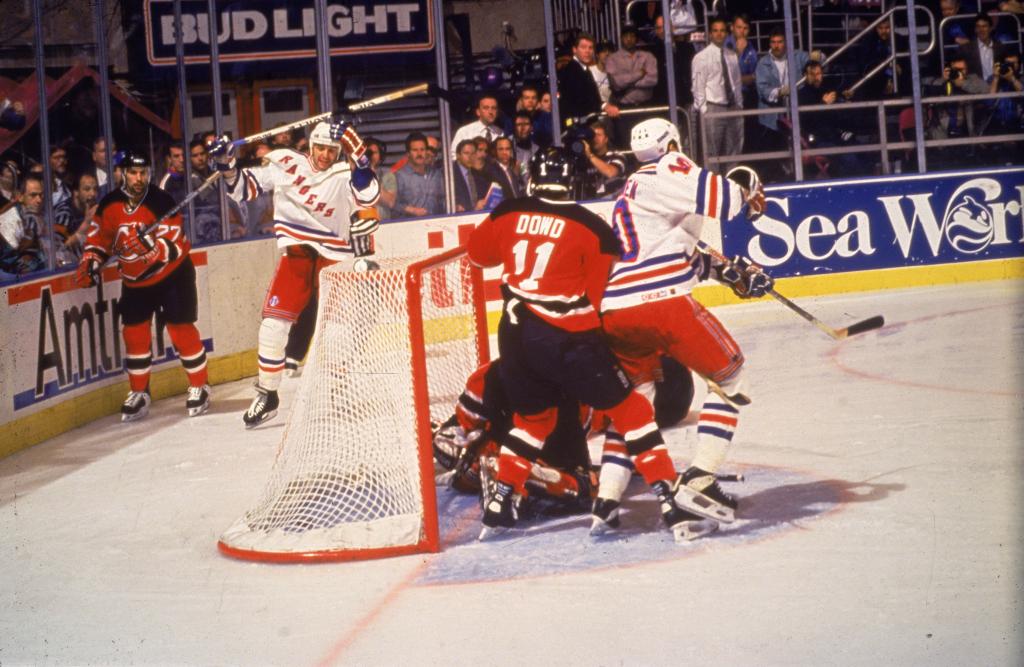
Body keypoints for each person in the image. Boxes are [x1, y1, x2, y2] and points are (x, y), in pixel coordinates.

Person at [466, 146, 715, 542]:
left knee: (533, 421)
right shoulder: (594, 228)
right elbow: (597, 298)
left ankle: (499, 504)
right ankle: (670, 498)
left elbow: (477, 256)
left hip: (513, 334)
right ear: (576, 181)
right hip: (568, 338)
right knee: (633, 409)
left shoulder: (506, 212)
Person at [600, 118, 771, 533]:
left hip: (616, 313)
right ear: (672, 142)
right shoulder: (668, 167)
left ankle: (605, 499)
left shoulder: (632, 190)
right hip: (661, 305)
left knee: (636, 406)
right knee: (733, 379)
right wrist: (747, 187)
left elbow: (674, 253)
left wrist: (729, 272)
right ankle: (701, 477)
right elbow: (725, 198)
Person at [210, 119, 380, 428]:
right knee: (273, 327)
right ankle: (268, 394)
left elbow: (368, 197)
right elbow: (241, 189)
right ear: (310, 146)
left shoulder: (344, 173)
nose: (326, 156)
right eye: (321, 149)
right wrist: (227, 164)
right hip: (297, 255)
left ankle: (338, 392)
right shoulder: (286, 162)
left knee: (339, 332)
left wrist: (360, 157)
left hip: (335, 257)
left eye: (332, 150)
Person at [74, 151, 211, 421]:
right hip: (135, 280)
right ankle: (139, 392)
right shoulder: (109, 204)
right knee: (134, 333)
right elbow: (100, 238)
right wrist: (92, 260)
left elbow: (176, 243)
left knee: (180, 329)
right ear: (121, 173)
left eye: (143, 172)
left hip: (173, 274)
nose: (139, 178)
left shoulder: (161, 201)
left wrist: (152, 246)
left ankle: (200, 386)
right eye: (134, 173)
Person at [693, 17, 744, 172]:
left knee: (733, 151)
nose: (719, 34)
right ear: (710, 34)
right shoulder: (701, 57)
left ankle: (732, 185)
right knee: (712, 153)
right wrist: (704, 110)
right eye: (715, 31)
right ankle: (713, 189)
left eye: (722, 31)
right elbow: (697, 87)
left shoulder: (732, 55)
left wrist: (739, 106)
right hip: (713, 108)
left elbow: (736, 83)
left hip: (733, 107)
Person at [797, 61, 862, 175]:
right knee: (849, 158)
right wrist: (823, 104)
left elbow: (838, 116)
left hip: (835, 136)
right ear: (805, 76)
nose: (817, 77)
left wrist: (846, 98)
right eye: (812, 74)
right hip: (817, 140)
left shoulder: (826, 90)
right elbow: (806, 121)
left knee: (863, 149)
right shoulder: (802, 95)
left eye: (819, 74)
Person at [605, 24, 658, 142]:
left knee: (647, 143)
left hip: (645, 108)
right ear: (621, 38)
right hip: (624, 110)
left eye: (632, 36)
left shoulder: (647, 56)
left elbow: (652, 79)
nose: (629, 39)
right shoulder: (612, 58)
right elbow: (616, 83)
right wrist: (639, 74)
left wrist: (628, 82)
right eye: (626, 36)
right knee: (626, 144)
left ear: (637, 38)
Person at [557, 33, 619, 126]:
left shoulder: (585, 69)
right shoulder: (570, 70)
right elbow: (583, 100)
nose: (587, 51)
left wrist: (604, 105)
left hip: (587, 121)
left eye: (590, 48)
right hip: (576, 125)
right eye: (583, 47)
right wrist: (604, 105)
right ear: (574, 49)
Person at [0, 173, 46, 276]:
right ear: (20, 197)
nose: (39, 200)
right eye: (33, 195)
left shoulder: (38, 214)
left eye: (41, 195)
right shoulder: (10, 221)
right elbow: (9, 262)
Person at [394, 132, 445, 218]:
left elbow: (443, 199)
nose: (419, 154)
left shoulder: (436, 174)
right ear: (408, 153)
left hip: (436, 225)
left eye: (422, 149)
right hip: (411, 226)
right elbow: (393, 205)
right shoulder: (399, 176)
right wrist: (412, 210)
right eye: (415, 150)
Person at [53, 172, 99, 267]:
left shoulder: (96, 208)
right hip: (68, 267)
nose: (92, 193)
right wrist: (86, 224)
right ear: (76, 192)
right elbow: (59, 249)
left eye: (95, 189)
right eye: (87, 189)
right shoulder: (63, 213)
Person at [578, 119, 627, 199]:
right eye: (593, 135)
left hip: (614, 203)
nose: (595, 138)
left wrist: (590, 155)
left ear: (606, 139)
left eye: (599, 135)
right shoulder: (583, 160)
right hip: (590, 204)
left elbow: (611, 173)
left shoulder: (617, 156)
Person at [450, 93, 504, 160]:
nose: (490, 111)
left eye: (494, 108)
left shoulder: (501, 133)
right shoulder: (464, 131)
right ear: (478, 112)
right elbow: (454, 155)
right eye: (486, 108)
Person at [453, 139, 492, 212]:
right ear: (458, 155)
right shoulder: (450, 174)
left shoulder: (477, 174)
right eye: (466, 153)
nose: (470, 157)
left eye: (473, 153)